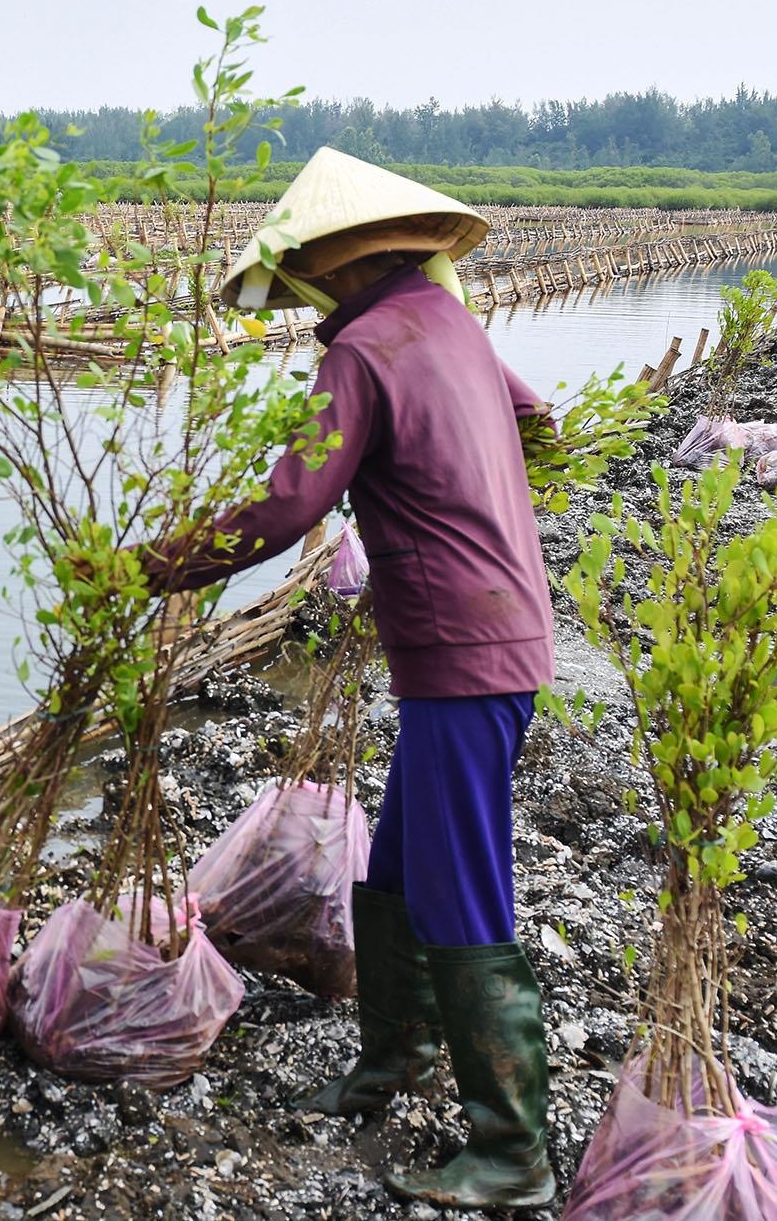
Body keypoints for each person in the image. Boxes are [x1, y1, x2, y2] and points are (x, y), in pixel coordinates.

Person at [152, 148, 556, 1210]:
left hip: (463, 656)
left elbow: (289, 508)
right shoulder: (452, 326)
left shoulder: (366, 351)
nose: (304, 289)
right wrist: (474, 504)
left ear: (336, 260)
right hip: (480, 641)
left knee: (466, 890)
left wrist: (159, 566)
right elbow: (537, 420)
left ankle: (512, 1151)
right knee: (396, 873)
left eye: (306, 271)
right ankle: (394, 1061)